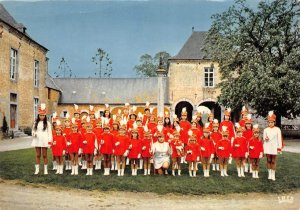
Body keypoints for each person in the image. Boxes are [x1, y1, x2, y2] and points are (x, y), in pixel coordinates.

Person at [31, 103, 53, 175]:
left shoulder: (48, 123)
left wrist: (50, 141)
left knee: (44, 155)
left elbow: (49, 133)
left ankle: (45, 169)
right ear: (38, 115)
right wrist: (34, 134)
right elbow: (33, 131)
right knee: (38, 155)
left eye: (43, 115)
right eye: (40, 115)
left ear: (45, 115)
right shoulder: (35, 123)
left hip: (44, 140)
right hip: (37, 140)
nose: (42, 116)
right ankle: (37, 170)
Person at [263, 111, 283, 181]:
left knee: (273, 161)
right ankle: (269, 174)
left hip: (274, 146)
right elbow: (264, 139)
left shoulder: (277, 129)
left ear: (274, 122)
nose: (270, 123)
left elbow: (279, 139)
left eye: (272, 122)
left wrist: (279, 148)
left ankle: (273, 174)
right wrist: (265, 139)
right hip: (268, 146)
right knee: (268, 160)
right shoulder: (265, 130)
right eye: (269, 122)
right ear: (268, 122)